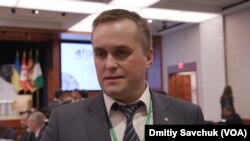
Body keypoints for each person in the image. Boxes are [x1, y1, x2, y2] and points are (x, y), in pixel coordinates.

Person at [41, 9, 205, 141]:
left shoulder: (188, 116)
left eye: (121, 52)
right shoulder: (63, 122)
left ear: (148, 57)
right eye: (100, 54)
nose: (109, 64)